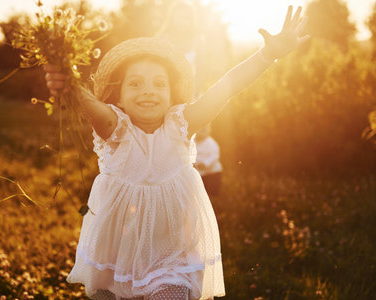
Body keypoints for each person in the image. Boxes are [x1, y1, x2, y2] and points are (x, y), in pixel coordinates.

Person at [44, 6, 309, 299]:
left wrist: (266, 55)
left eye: (160, 84)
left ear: (172, 94)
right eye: (136, 84)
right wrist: (65, 80)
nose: (148, 91)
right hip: (117, 255)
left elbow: (225, 88)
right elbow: (86, 101)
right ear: (118, 96)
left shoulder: (181, 126)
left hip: (172, 256)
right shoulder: (114, 130)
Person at [194, 124, 223, 198]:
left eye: (204, 131)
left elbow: (214, 156)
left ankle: (215, 200)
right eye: (199, 131)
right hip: (200, 173)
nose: (201, 133)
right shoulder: (193, 142)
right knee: (201, 191)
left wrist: (205, 163)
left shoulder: (211, 143)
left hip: (212, 172)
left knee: (212, 191)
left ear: (209, 132)